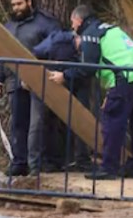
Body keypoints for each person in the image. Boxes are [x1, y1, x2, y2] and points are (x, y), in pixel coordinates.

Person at [47, 5, 133, 180]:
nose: (72, 27)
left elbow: (88, 68)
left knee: (112, 119)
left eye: (72, 22)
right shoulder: (108, 29)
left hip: (126, 75)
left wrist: (65, 76)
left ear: (79, 20)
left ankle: (108, 168)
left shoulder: (89, 35)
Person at [0, 0, 61, 176]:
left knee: (39, 123)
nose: (16, 8)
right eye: (13, 5)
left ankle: (38, 164)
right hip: (14, 82)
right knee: (18, 124)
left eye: (19, 4)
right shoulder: (8, 26)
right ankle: (20, 162)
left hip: (39, 81)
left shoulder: (46, 24)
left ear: (29, 2)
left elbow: (56, 49)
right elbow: (0, 52)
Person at [33, 28, 94, 171]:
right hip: (56, 81)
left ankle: (64, 160)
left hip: (64, 82)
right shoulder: (61, 42)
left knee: (61, 122)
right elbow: (63, 65)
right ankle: (46, 162)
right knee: (49, 122)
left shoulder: (62, 40)